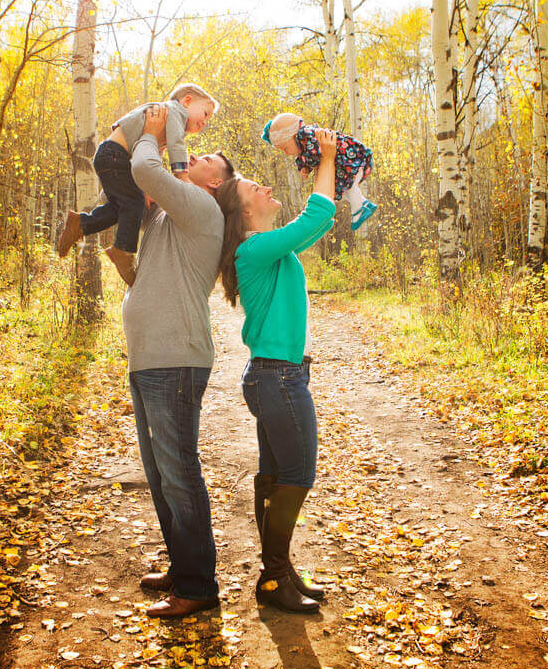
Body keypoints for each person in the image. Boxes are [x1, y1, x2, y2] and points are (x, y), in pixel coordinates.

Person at [213, 128, 338, 613]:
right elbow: (318, 217)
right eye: (254, 189)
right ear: (244, 212)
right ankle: (275, 576)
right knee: (298, 475)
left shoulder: (267, 248)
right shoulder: (252, 248)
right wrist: (327, 157)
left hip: (275, 377)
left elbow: (307, 226)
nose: (266, 189)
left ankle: (277, 575)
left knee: (273, 476)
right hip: (278, 379)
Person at [123, 103, 236, 618]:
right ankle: (183, 566)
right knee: (161, 471)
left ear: (215, 183)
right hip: (150, 358)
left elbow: (145, 168)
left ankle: (198, 585)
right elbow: (133, 193)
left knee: (178, 470)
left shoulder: (201, 207)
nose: (199, 154)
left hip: (174, 360)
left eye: (210, 157)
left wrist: (152, 133)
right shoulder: (173, 210)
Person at [56, 84, 220, 285]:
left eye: (208, 120)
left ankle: (81, 224)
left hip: (113, 156)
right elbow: (177, 144)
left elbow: (152, 152)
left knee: (123, 207)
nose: (205, 122)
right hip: (115, 155)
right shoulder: (174, 112)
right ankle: (123, 250)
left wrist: (147, 186)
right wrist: (182, 175)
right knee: (133, 203)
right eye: (205, 113)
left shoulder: (164, 119)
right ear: (187, 101)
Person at [261, 112, 377, 231]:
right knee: (345, 190)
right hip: (347, 165)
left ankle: (359, 211)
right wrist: (304, 168)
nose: (286, 153)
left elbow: (315, 154)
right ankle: (363, 205)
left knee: (350, 187)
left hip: (354, 161)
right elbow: (305, 156)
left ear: (295, 136)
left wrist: (310, 166)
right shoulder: (304, 144)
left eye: (285, 148)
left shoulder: (307, 135)